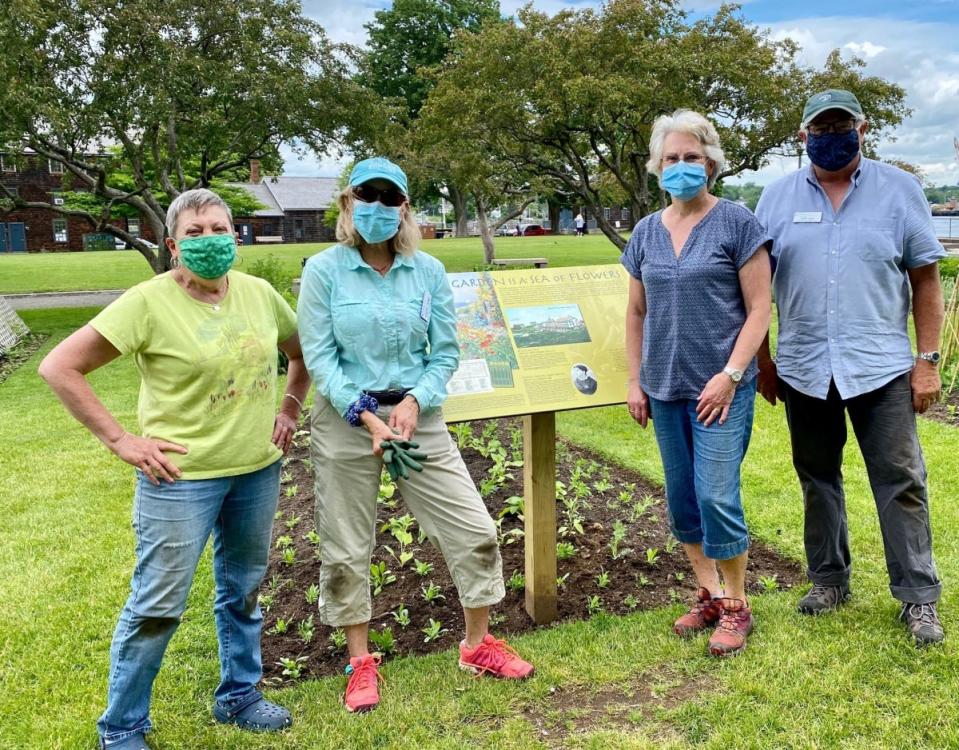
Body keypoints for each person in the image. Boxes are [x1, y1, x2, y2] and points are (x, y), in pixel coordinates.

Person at [38, 189, 309, 749]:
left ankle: (240, 694)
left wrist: (289, 406)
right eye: (195, 232)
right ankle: (123, 727)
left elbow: (301, 354)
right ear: (172, 243)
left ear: (236, 235)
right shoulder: (147, 302)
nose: (209, 240)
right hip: (179, 481)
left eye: (219, 228)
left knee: (243, 591)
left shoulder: (260, 295)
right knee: (158, 603)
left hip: (256, 470)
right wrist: (120, 440)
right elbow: (60, 366)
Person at [297, 157, 533, 714]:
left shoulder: (426, 271)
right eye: (366, 195)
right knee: (348, 546)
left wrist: (413, 402)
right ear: (347, 203)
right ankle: (359, 664)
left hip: (415, 417)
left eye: (389, 197)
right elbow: (321, 358)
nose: (376, 207)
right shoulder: (324, 271)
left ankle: (477, 647)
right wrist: (368, 416)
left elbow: (445, 351)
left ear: (404, 208)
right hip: (346, 420)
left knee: (475, 529)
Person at [755, 89, 946, 646]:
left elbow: (926, 280)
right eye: (821, 126)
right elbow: (757, 288)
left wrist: (927, 361)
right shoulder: (775, 198)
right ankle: (828, 580)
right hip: (804, 366)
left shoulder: (900, 189)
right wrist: (765, 361)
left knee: (901, 481)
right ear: (802, 135)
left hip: (880, 367)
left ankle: (918, 599)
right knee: (817, 479)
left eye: (841, 124)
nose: (831, 134)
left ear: (862, 128)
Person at [622, 110, 772, 657]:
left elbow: (759, 310)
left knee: (716, 493)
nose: (682, 166)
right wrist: (635, 381)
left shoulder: (737, 222)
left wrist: (731, 376)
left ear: (711, 163)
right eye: (671, 158)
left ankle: (736, 604)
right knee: (683, 498)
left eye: (692, 157)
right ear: (656, 167)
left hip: (721, 390)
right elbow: (636, 313)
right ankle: (706, 592)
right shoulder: (644, 232)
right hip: (664, 387)